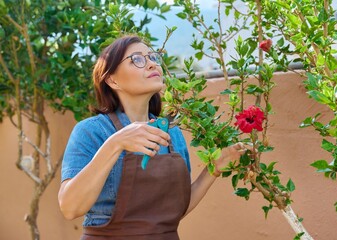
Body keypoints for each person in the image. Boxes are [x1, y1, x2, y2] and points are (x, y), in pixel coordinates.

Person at [58, 35, 246, 240]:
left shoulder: (172, 132)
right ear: (112, 79)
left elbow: (173, 211)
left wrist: (214, 169)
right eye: (137, 59)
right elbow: (70, 207)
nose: (150, 64)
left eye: (152, 57)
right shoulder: (92, 131)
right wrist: (116, 143)